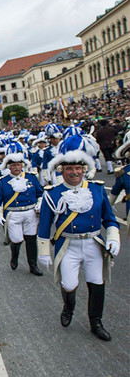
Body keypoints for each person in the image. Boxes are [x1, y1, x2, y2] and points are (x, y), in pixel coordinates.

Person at [38, 134, 121, 341]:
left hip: (93, 243)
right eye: (69, 169)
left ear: (84, 169)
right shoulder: (52, 193)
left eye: (78, 168)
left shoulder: (97, 189)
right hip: (68, 245)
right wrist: (43, 251)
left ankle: (96, 322)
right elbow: (44, 225)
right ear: (61, 171)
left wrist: (113, 237)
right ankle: (68, 307)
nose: (74, 172)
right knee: (68, 284)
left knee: (96, 282)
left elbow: (110, 220)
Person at [0, 143, 44, 276]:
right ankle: (14, 256)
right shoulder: (2, 182)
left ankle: (33, 265)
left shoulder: (31, 177)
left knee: (31, 239)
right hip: (13, 214)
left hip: (30, 213)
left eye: (19, 164)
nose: (17, 167)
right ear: (8, 167)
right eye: (14, 165)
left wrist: (39, 203)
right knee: (16, 239)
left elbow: (40, 193)